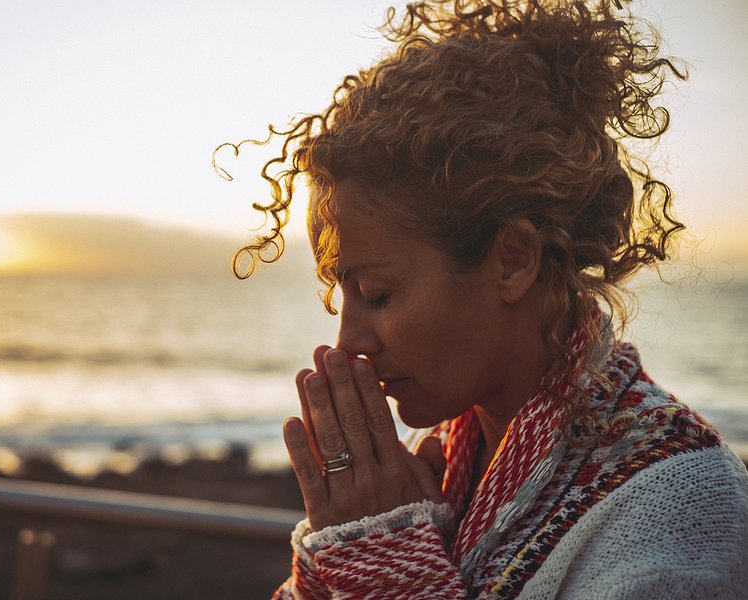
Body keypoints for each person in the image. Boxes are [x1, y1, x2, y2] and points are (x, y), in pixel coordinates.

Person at [221, 0, 748, 597]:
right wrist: (354, 545)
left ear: (514, 260)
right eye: (341, 295)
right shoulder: (445, 463)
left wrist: (386, 565)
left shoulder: (679, 502)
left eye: (377, 293)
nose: (348, 343)